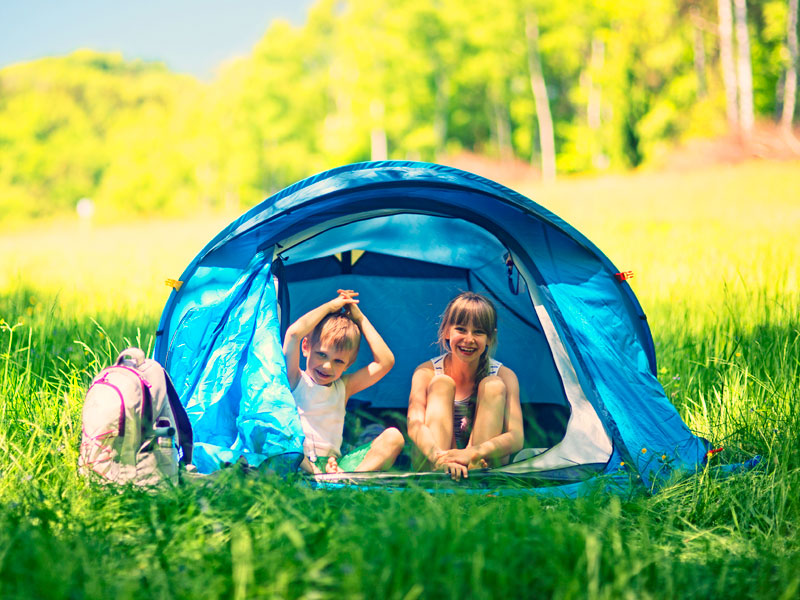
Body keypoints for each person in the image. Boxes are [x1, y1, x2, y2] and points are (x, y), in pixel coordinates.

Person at [283, 289, 404, 475]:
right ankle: (319, 477)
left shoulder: (343, 387)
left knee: (394, 437)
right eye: (321, 354)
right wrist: (330, 307)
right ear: (306, 347)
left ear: (349, 364)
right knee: (281, 446)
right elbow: (293, 334)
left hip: (335, 466)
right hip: (299, 460)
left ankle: (351, 480)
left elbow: (386, 361)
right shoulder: (295, 379)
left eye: (338, 361)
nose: (327, 366)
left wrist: (360, 319)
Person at [407, 292, 523, 480]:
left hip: (480, 462)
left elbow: (516, 437)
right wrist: (440, 457)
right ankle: (440, 478)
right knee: (441, 383)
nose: (469, 339)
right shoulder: (426, 372)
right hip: (435, 460)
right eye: (461, 329)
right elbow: (415, 425)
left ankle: (477, 480)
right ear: (447, 331)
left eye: (478, 332)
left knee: (493, 385)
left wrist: (472, 453)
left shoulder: (504, 375)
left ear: (490, 338)